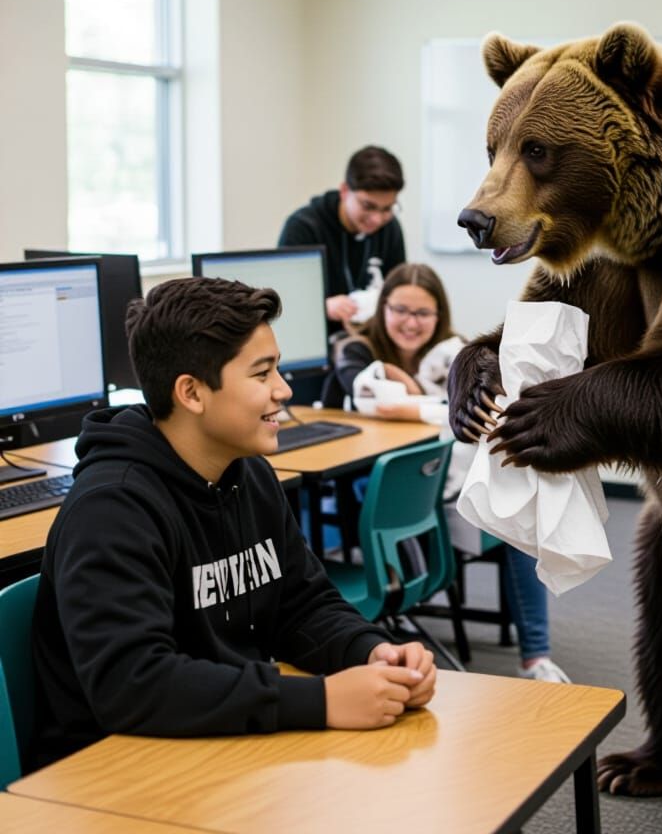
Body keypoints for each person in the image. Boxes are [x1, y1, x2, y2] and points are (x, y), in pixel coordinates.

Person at [31, 276, 436, 768]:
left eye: (277, 369)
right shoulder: (113, 509)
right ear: (192, 393)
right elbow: (133, 684)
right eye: (261, 374)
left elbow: (301, 604)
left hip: (218, 738)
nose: (284, 390)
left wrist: (369, 650)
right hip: (113, 767)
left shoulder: (249, 474)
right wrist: (322, 701)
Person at [322, 263, 570, 683]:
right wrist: (422, 400)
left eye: (423, 314)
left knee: (518, 515)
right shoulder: (357, 346)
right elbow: (360, 389)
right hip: (377, 482)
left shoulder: (459, 354)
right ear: (382, 308)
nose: (410, 323)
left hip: (448, 486)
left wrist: (409, 402)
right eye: (400, 309)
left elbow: (480, 413)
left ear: (439, 317)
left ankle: (536, 657)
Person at [278, 145, 406, 334]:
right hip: (318, 342)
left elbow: (398, 289)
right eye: (368, 206)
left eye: (387, 209)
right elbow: (284, 302)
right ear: (345, 190)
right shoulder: (303, 228)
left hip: (371, 340)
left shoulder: (390, 228)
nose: (377, 219)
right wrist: (323, 307)